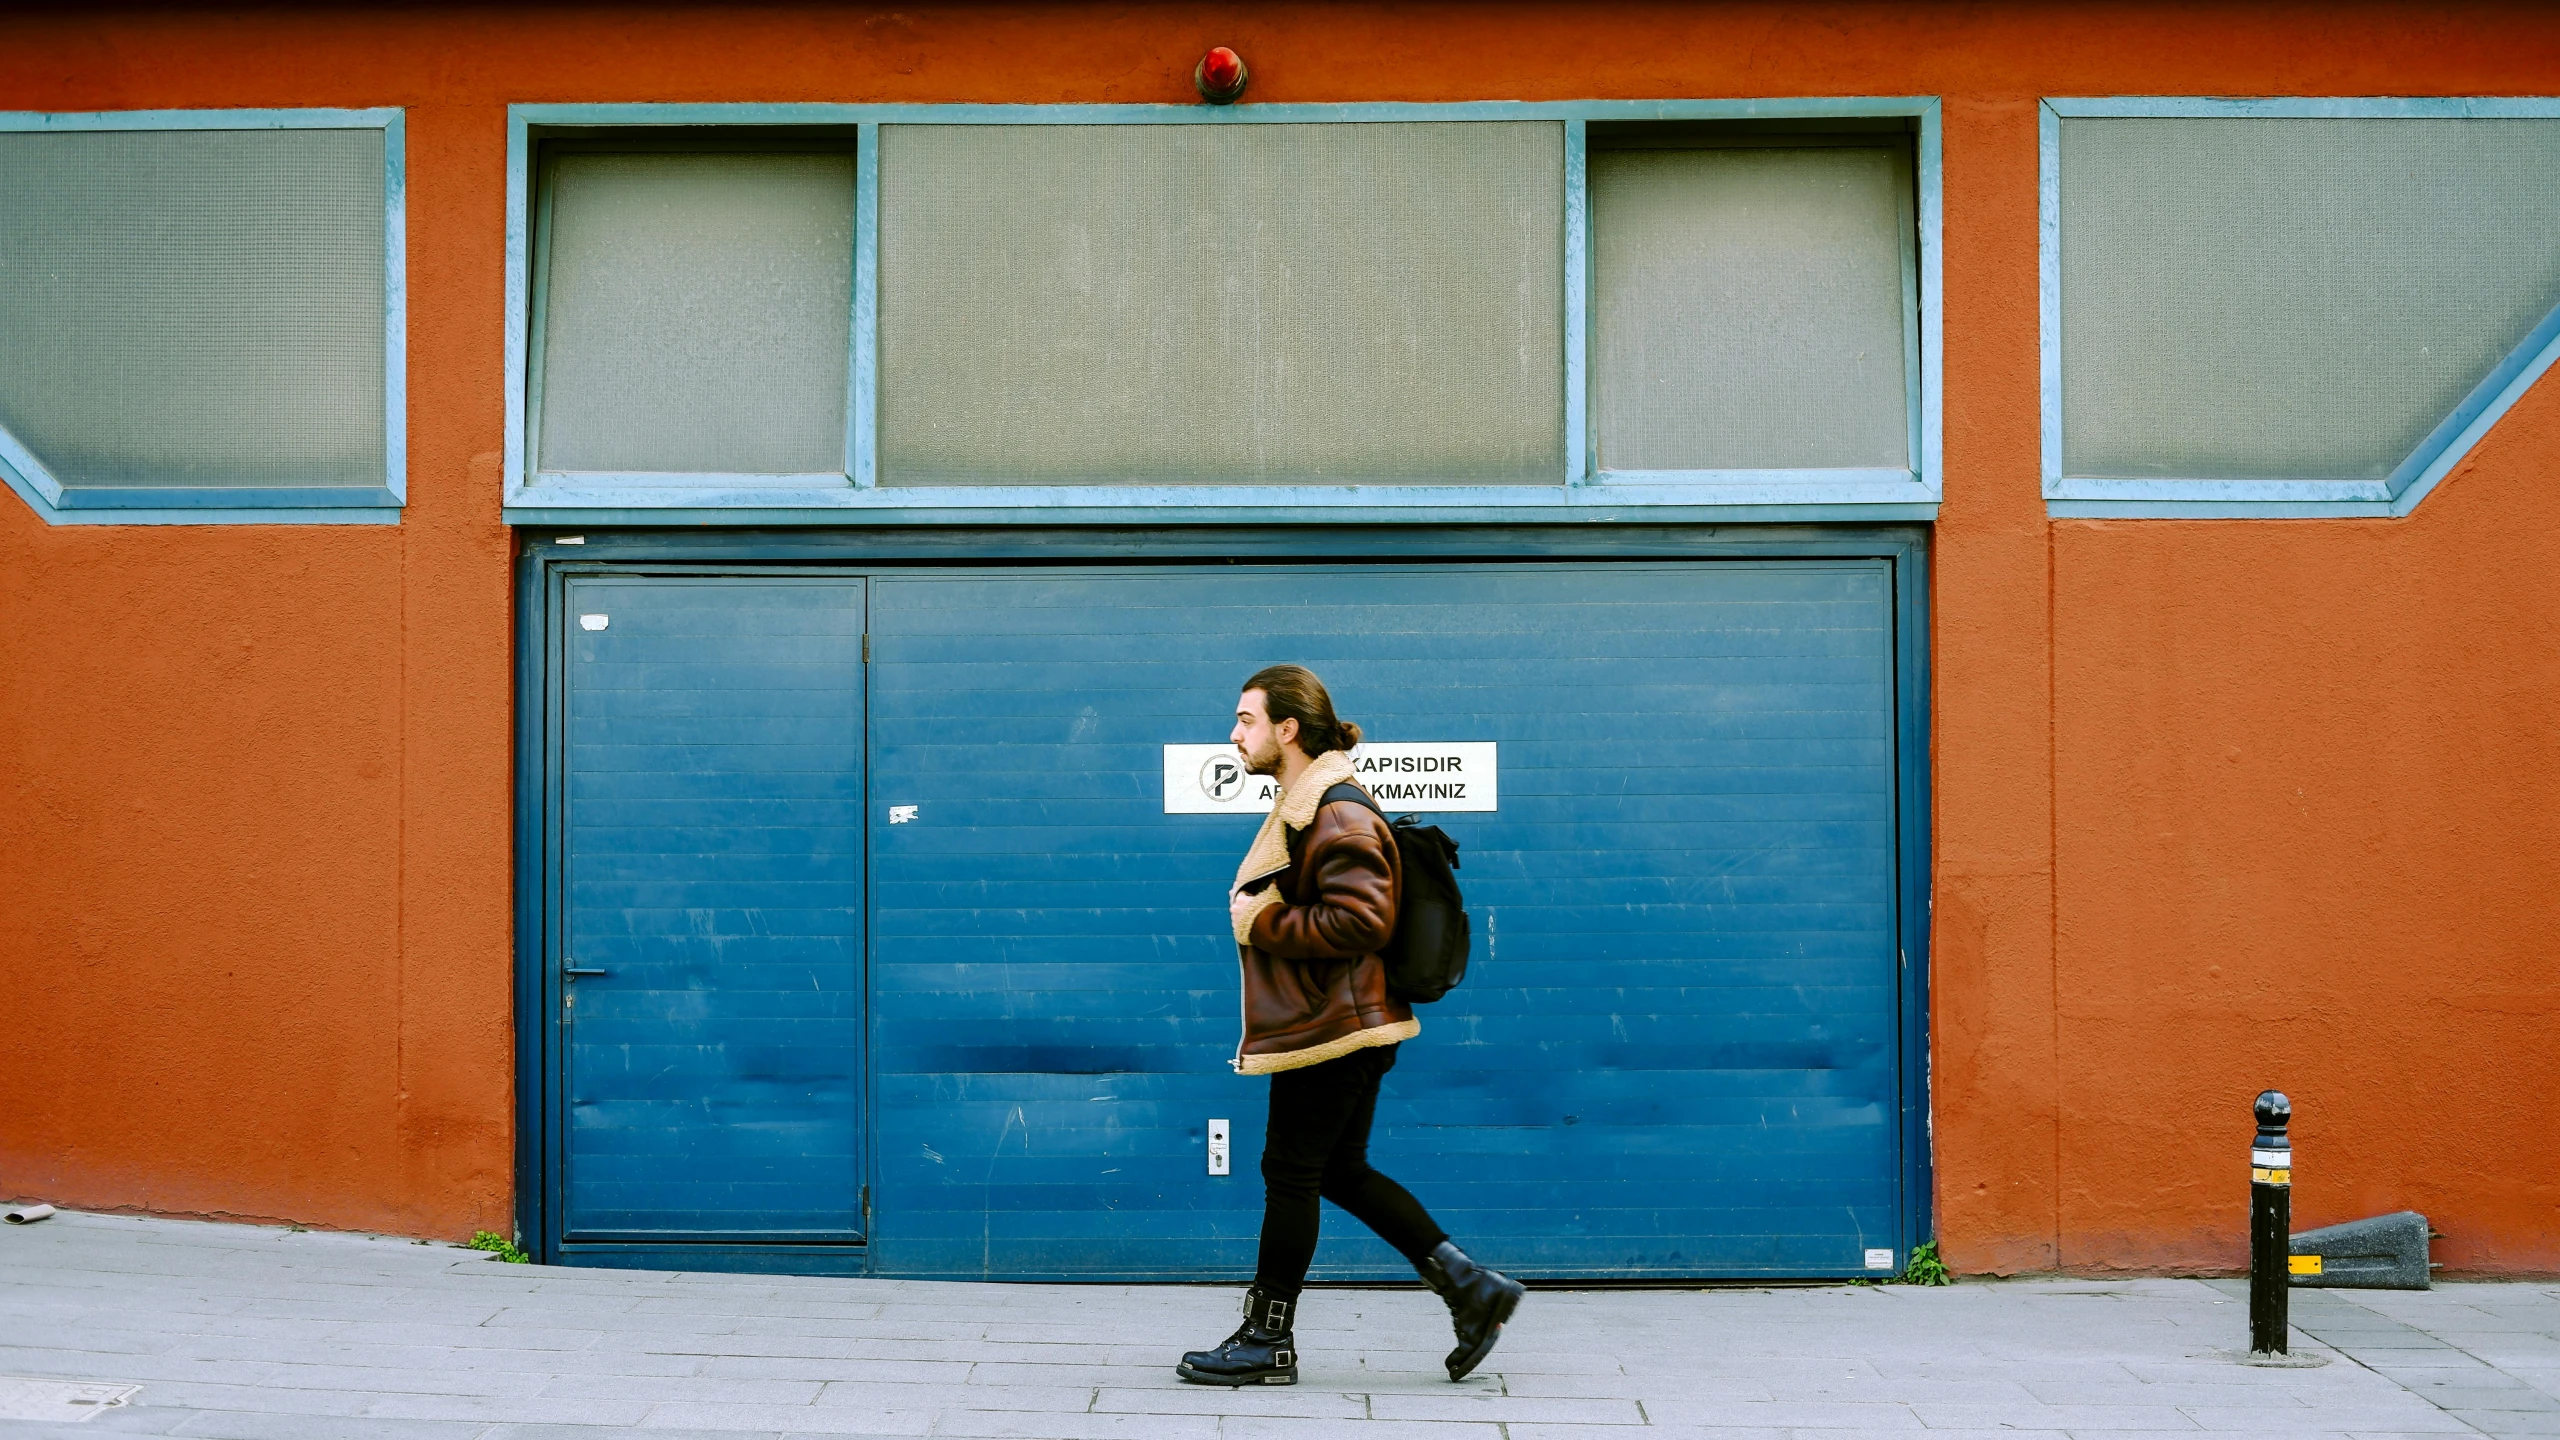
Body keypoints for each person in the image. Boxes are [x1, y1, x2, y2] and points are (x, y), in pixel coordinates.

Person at [1177, 664, 1524, 1388]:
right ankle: (1471, 1287)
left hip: (1333, 1029)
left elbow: (1362, 919)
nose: (1235, 733)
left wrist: (1261, 919)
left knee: (1291, 1174)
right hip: (1341, 1022)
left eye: (1246, 719)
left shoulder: (1333, 810)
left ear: (1288, 728)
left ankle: (1267, 1339)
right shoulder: (1311, 804)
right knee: (1338, 1170)